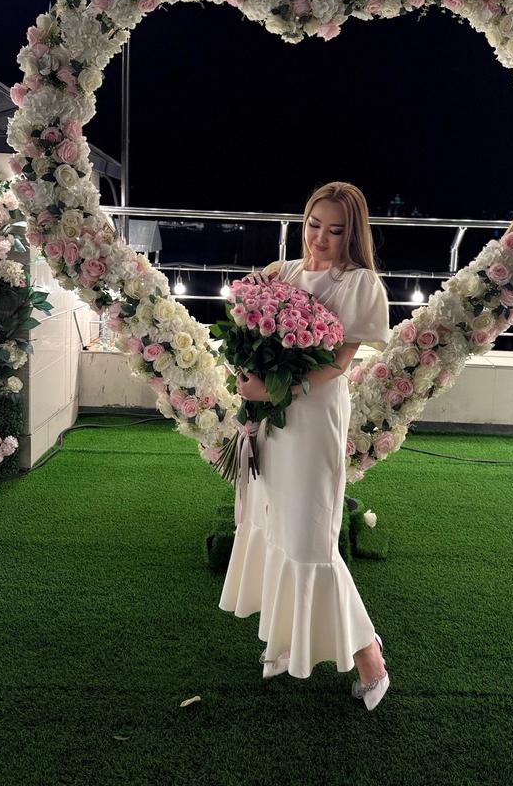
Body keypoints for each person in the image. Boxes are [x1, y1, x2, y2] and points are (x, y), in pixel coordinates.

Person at [218, 181, 392, 710]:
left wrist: (277, 389)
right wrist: (249, 374)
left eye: (335, 231)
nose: (320, 238)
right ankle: (282, 639)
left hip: (314, 416)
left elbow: (339, 364)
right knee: (274, 523)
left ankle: (369, 655)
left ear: (352, 234)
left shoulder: (360, 283)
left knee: (310, 537)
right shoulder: (283, 272)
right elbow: (245, 325)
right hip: (271, 418)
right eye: (314, 225)